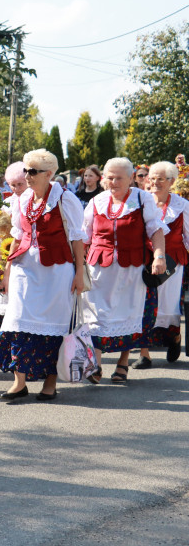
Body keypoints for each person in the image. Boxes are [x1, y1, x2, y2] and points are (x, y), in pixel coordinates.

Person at [0, 150, 87, 401]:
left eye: (33, 171)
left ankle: (50, 382)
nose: (28, 176)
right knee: (17, 319)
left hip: (56, 271)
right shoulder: (23, 198)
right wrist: (7, 270)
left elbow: (77, 238)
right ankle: (19, 381)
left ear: (49, 174)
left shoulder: (65, 199)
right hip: (25, 268)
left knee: (53, 326)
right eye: (25, 170)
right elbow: (16, 235)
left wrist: (79, 273)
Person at [82, 158, 167, 383]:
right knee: (94, 315)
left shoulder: (142, 198)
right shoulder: (96, 201)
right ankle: (96, 364)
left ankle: (122, 362)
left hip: (132, 269)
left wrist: (159, 256)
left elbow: (156, 229)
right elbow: (84, 236)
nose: (113, 182)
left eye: (119, 177)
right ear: (103, 178)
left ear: (131, 178)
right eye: (110, 177)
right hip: (99, 268)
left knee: (130, 314)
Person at [135, 161, 188, 365]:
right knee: (143, 304)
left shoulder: (182, 205)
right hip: (145, 260)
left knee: (168, 304)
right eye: (152, 177)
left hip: (173, 262)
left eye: (160, 178)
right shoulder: (141, 202)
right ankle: (144, 353)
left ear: (172, 181)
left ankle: (173, 336)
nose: (155, 182)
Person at [0, 162, 29, 336]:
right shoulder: (6, 203)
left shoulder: (33, 200)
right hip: (7, 252)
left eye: (20, 184)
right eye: (12, 185)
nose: (16, 188)